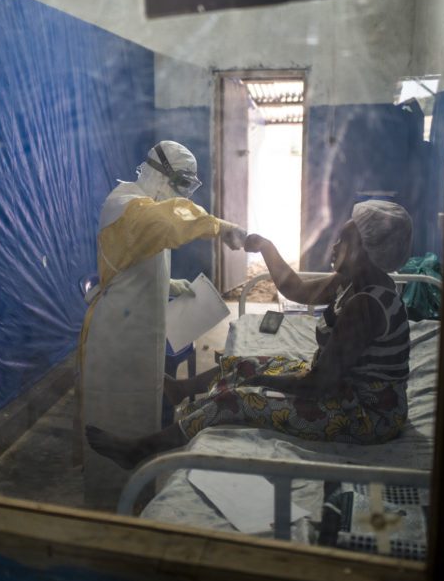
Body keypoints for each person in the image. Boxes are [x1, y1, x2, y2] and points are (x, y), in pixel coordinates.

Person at [87, 200, 414, 470]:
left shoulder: (366, 305)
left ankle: (141, 450)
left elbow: (319, 384)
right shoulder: (351, 281)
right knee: (245, 365)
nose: (334, 246)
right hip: (342, 388)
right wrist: (265, 247)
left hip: (367, 415)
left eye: (343, 241)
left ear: (366, 251)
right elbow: (294, 287)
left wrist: (263, 384)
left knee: (236, 399)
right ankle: (181, 390)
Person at [79, 141, 247, 506]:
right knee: (116, 424)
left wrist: (167, 284)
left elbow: (129, 259)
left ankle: (138, 504)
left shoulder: (147, 207)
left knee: (142, 421)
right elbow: (167, 222)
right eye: (180, 183)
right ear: (157, 173)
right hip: (117, 338)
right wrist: (220, 227)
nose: (181, 193)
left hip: (140, 331)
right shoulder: (125, 204)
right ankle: (107, 515)